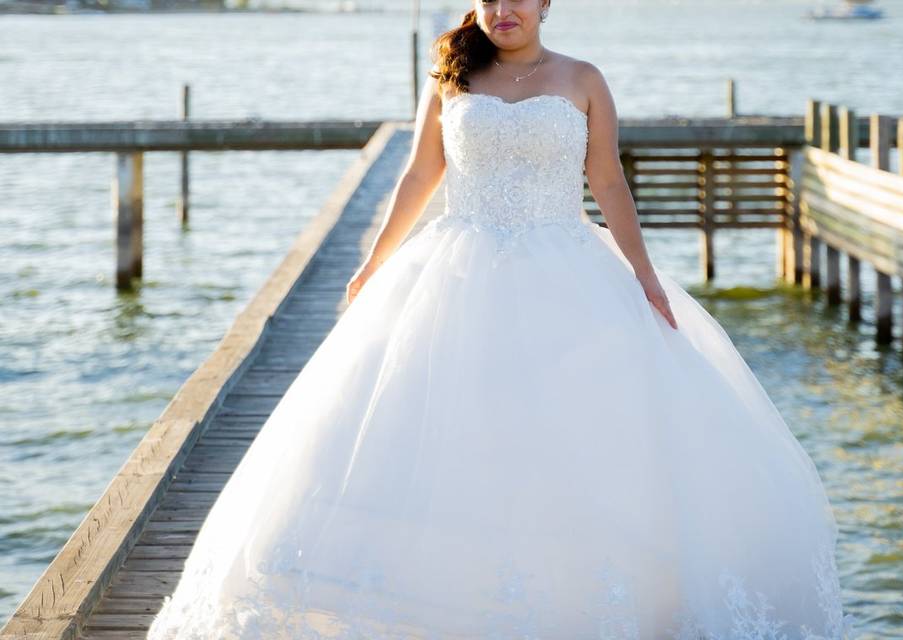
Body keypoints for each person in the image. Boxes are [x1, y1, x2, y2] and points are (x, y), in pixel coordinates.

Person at [145, 1, 860, 638]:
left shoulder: (583, 79)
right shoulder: (452, 76)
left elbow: (607, 179)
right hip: (458, 269)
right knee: (448, 426)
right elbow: (421, 174)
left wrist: (643, 275)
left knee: (569, 435)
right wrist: (372, 263)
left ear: (546, 5)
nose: (502, 8)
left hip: (567, 269)